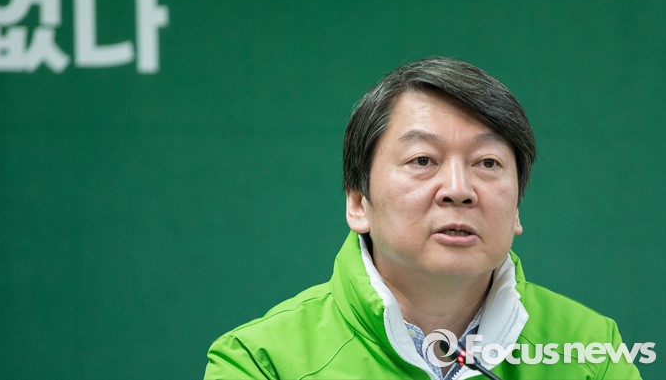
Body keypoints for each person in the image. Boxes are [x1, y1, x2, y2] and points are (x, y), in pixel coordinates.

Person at [204, 57, 642, 379]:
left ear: (517, 209)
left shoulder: (592, 351)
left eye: (487, 163)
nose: (459, 189)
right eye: (422, 160)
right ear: (357, 202)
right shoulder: (260, 361)